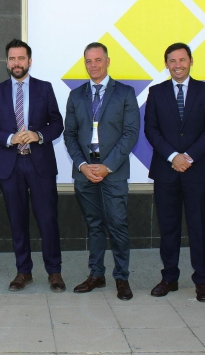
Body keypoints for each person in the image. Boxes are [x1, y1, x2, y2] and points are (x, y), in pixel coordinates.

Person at [0, 39, 66, 292]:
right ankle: (23, 271)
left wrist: (38, 135)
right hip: (10, 165)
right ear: (6, 62)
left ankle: (54, 271)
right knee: (17, 220)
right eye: (12, 58)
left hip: (39, 162)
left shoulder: (44, 88)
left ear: (29, 61)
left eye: (21, 58)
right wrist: (10, 138)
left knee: (47, 219)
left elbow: (57, 123)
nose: (16, 63)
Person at [143, 43, 205, 302]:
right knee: (168, 227)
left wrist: (187, 157)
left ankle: (202, 280)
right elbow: (151, 130)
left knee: (198, 227)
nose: (178, 65)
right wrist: (172, 157)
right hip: (166, 171)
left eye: (182, 59)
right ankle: (169, 277)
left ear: (191, 61)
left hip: (196, 170)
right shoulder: (156, 92)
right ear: (165, 64)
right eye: (172, 60)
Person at [63, 42, 139, 300]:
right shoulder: (76, 95)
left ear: (107, 61)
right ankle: (96, 274)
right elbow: (70, 134)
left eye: (98, 60)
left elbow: (130, 134)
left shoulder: (125, 93)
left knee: (117, 224)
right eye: (88, 61)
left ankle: (122, 278)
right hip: (84, 173)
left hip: (113, 171)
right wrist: (82, 166)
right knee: (94, 225)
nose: (93, 65)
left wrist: (107, 166)